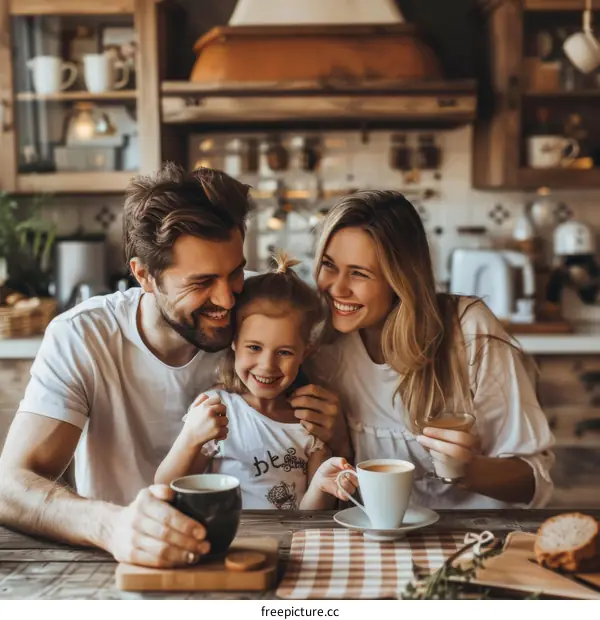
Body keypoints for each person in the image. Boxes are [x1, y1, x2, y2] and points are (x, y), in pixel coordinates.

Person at [0, 164, 344, 568]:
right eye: (201, 283)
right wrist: (113, 526)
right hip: (121, 564)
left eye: (234, 273)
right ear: (144, 275)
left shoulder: (263, 310)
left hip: (253, 556)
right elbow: (11, 487)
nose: (228, 301)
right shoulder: (84, 336)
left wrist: (336, 432)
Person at [306, 190, 556, 509]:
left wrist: (467, 470)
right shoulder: (325, 348)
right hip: (379, 542)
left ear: (399, 280)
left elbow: (535, 482)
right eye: (329, 265)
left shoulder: (466, 330)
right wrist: (339, 442)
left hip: (475, 540)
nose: (337, 288)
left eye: (358, 273)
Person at [155, 252, 356, 510]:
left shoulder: (310, 422)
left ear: (306, 352)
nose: (267, 365)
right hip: (234, 542)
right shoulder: (217, 410)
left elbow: (312, 518)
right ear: (234, 342)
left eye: (284, 352)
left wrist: (320, 484)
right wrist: (190, 437)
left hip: (291, 544)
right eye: (254, 347)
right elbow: (166, 487)